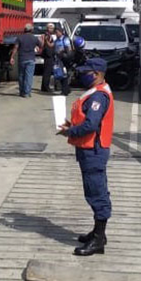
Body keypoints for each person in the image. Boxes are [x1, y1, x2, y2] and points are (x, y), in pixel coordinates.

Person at [57, 58, 114, 256]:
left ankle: (99, 240)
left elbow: (91, 125)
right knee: (93, 189)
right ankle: (98, 232)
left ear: (97, 73)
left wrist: (70, 132)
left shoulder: (98, 97)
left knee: (96, 192)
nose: (82, 75)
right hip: (88, 149)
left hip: (93, 151)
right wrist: (71, 126)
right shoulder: (94, 92)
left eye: (86, 72)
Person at [10, 23, 41, 98]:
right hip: (31, 59)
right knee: (29, 76)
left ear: (25, 30)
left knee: (21, 75)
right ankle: (27, 92)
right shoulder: (34, 38)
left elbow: (15, 48)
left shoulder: (20, 38)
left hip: (22, 59)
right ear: (31, 30)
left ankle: (21, 91)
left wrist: (12, 57)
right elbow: (40, 46)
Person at [53, 27, 73, 95]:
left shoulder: (65, 39)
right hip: (58, 60)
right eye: (55, 32)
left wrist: (62, 52)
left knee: (64, 75)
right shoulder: (56, 40)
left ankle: (65, 91)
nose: (56, 34)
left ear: (61, 32)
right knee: (60, 75)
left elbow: (68, 50)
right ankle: (66, 89)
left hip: (65, 60)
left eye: (57, 32)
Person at [40, 23, 56, 92]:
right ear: (47, 28)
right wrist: (53, 44)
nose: (52, 29)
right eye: (50, 28)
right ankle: (46, 87)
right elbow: (48, 45)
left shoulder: (48, 35)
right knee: (47, 72)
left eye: (52, 28)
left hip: (48, 55)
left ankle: (44, 87)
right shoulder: (47, 36)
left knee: (46, 72)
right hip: (48, 55)